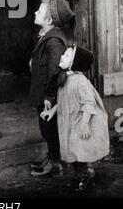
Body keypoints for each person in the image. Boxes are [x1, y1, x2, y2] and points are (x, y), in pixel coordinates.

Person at [41, 46, 110, 191]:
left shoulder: (80, 81)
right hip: (69, 121)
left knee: (79, 150)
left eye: (66, 56)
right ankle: (81, 175)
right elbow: (64, 100)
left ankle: (83, 177)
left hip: (80, 120)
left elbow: (89, 103)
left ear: (74, 63)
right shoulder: (65, 79)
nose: (61, 57)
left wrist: (85, 123)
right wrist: (52, 111)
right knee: (71, 150)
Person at [29, 0, 75, 176]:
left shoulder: (54, 41)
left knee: (50, 129)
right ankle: (52, 156)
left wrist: (50, 97)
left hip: (48, 95)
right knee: (46, 128)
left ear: (49, 20)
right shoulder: (47, 36)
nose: (35, 11)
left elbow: (55, 72)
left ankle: (55, 162)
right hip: (44, 93)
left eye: (39, 11)